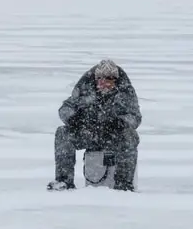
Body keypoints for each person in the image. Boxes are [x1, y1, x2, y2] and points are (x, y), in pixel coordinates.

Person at [48, 59, 141, 191]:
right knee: (63, 133)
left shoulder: (125, 92)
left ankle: (124, 184)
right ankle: (64, 181)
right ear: (96, 79)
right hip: (88, 134)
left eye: (110, 79)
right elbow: (64, 110)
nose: (105, 82)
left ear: (115, 80)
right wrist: (73, 118)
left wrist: (121, 122)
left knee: (130, 135)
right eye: (101, 78)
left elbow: (135, 117)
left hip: (113, 136)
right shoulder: (84, 89)